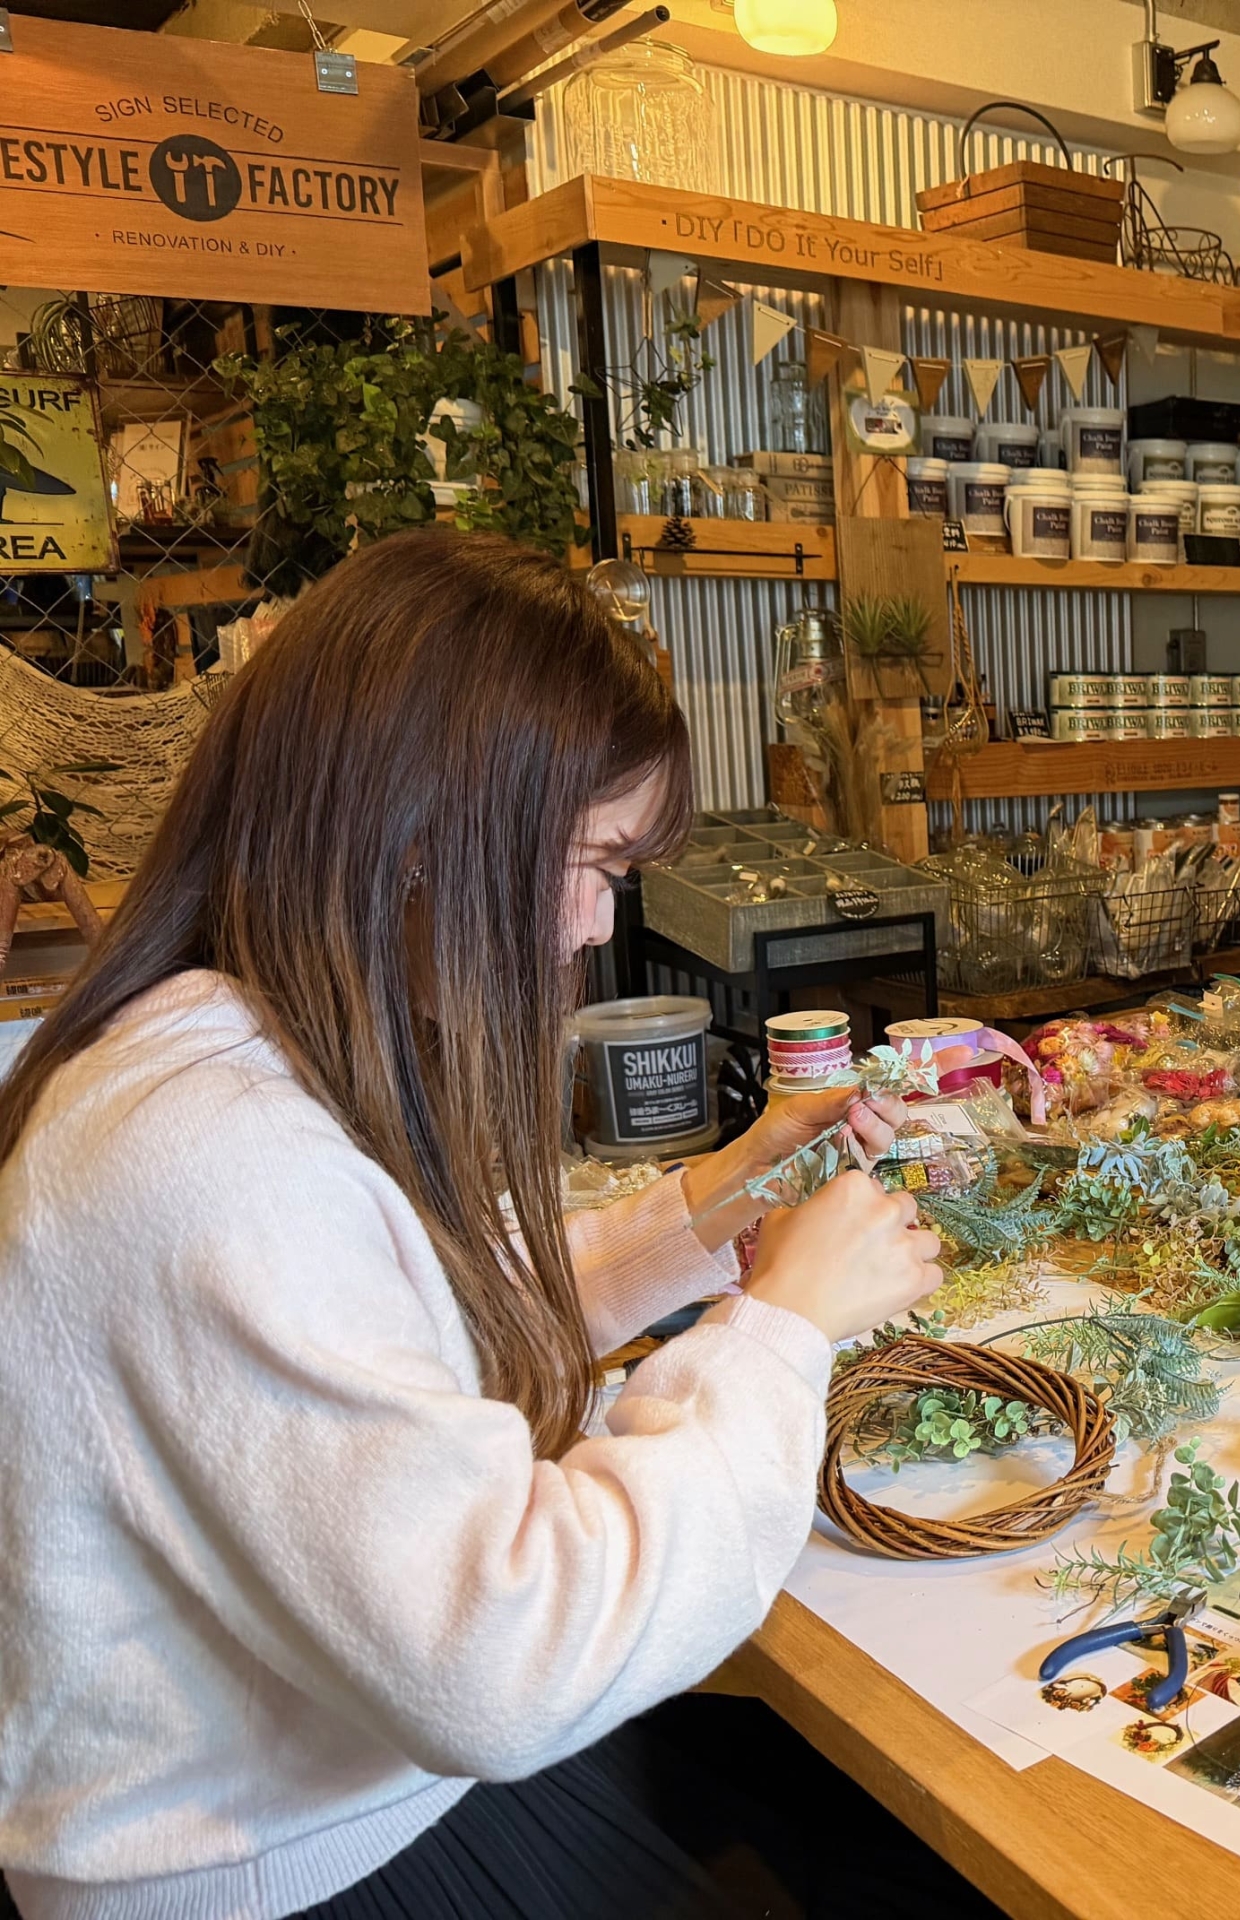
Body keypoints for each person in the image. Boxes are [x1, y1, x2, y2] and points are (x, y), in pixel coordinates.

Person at [0, 532, 946, 1919]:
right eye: (595, 859)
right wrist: (779, 1336)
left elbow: (412, 1311)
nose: (592, 924)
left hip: (340, 1787)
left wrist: (727, 1190)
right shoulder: (211, 1150)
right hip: (283, 1859)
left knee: (839, 1805)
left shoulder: (216, 1046)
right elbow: (507, 1658)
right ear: (415, 822)